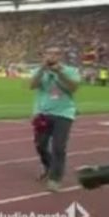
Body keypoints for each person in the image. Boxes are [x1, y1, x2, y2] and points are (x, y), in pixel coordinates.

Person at [29, 46, 81, 192]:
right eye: (49, 53)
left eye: (56, 54)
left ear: (60, 56)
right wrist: (42, 69)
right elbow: (32, 85)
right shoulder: (39, 70)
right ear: (44, 55)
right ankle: (49, 166)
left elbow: (73, 87)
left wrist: (60, 72)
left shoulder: (70, 70)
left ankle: (55, 179)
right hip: (43, 113)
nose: (52, 56)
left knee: (58, 147)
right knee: (40, 144)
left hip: (64, 113)